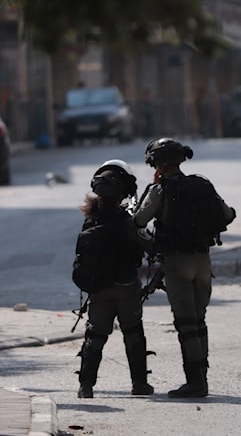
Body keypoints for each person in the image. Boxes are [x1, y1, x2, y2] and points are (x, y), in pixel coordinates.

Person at [132, 138, 234, 399]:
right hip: (203, 261)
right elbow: (228, 214)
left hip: (177, 262)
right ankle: (201, 378)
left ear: (159, 165)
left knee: (186, 324)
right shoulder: (201, 184)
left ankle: (195, 383)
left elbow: (139, 220)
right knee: (199, 321)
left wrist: (153, 189)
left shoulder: (161, 190)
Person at [75, 160, 153, 398]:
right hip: (126, 286)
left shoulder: (91, 220)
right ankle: (139, 384)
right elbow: (150, 246)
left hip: (99, 289)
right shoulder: (128, 221)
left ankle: (86, 386)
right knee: (133, 333)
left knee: (95, 335)